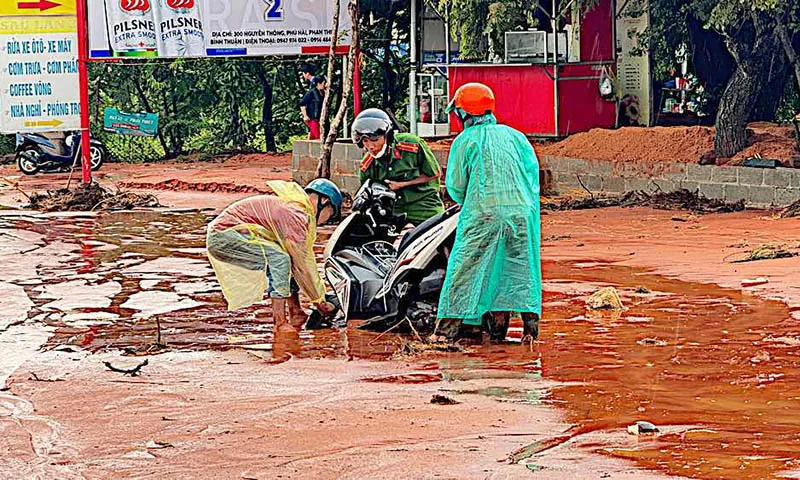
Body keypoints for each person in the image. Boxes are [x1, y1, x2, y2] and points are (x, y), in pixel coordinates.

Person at [435, 82, 542, 343]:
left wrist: (475, 201)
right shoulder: (516, 136)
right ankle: (527, 332)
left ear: (463, 114)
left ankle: (444, 334)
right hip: (522, 214)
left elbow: (456, 186)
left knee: (464, 269)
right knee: (518, 269)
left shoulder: (465, 141)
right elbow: (532, 176)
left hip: (482, 214)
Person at [206, 179, 342, 334]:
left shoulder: (295, 209)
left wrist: (318, 298)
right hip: (224, 236)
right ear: (324, 201)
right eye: (330, 213)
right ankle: (280, 322)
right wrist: (319, 302)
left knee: (284, 258)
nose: (326, 220)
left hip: (224, 235)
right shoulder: (296, 215)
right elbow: (301, 266)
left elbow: (296, 262)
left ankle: (295, 312)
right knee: (280, 260)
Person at [352, 108, 444, 226]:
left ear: (387, 136)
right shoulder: (366, 166)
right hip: (393, 209)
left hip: (424, 203)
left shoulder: (412, 145)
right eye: (365, 141)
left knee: (439, 234)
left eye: (374, 140)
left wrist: (401, 185)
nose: (370, 146)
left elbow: (435, 174)